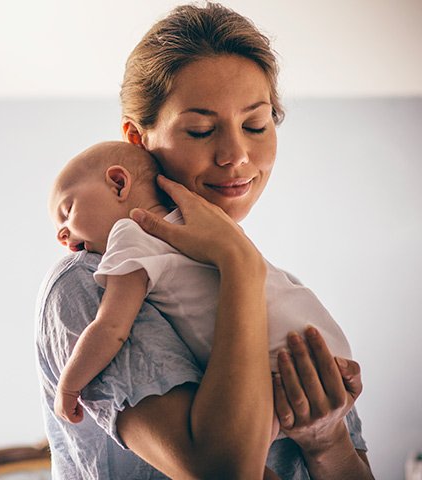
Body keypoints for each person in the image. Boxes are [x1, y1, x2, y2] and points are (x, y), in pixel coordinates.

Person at [35, 3, 374, 479]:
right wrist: (239, 264)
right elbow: (223, 471)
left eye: (256, 125)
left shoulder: (282, 295)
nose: (235, 156)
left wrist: (327, 441)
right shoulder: (91, 279)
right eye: (200, 130)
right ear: (137, 139)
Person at [48, 141, 353, 441]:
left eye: (68, 210)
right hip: (322, 344)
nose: (62, 234)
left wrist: (69, 386)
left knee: (241, 454)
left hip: (277, 356)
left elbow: (112, 326)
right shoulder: (208, 225)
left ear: (118, 184)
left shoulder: (130, 233)